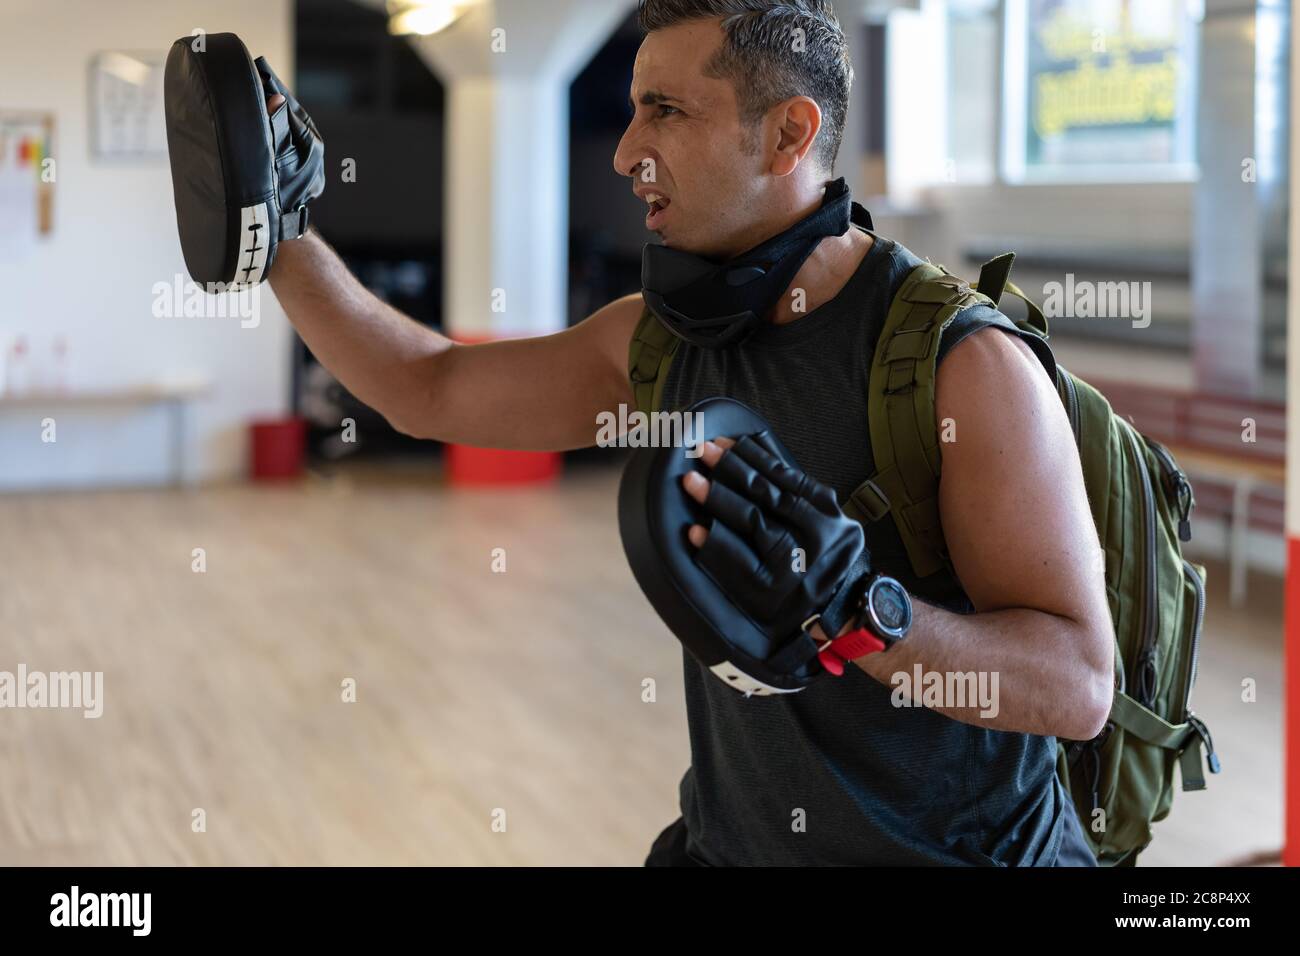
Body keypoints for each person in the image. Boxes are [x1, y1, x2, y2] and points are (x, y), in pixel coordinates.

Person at [266, 0, 1112, 866]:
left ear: (787, 135)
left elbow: (1079, 686)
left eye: (665, 111)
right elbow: (429, 388)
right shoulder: (661, 339)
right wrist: (280, 234)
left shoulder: (959, 363)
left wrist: (857, 612)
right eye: (635, 109)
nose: (628, 151)